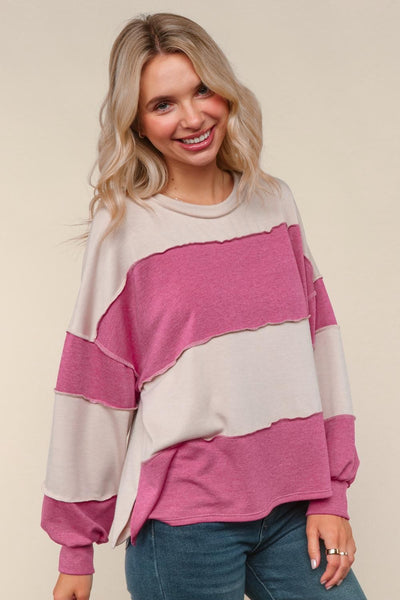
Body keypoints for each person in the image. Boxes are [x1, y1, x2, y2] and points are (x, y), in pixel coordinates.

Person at [41, 12, 367, 600]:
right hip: (184, 527)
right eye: (162, 104)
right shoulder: (124, 232)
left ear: (226, 92)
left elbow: (319, 345)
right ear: (137, 123)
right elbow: (94, 388)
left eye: (202, 91)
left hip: (294, 509)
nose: (192, 118)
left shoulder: (274, 204)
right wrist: (75, 549)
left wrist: (332, 493)